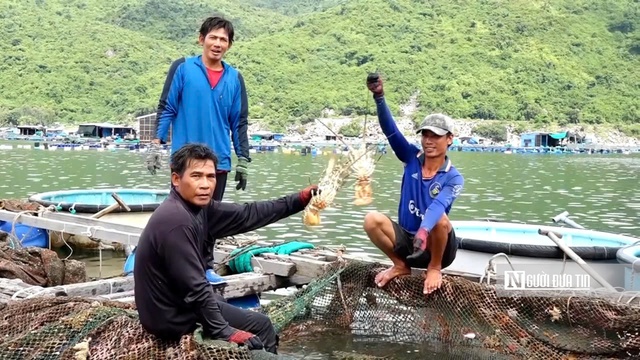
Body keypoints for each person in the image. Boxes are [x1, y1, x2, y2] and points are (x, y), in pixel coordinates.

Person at [134, 143, 319, 354]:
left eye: (210, 176)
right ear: (176, 179)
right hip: (168, 316)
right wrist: (225, 331)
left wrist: (299, 200)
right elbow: (195, 288)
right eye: (196, 176)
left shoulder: (200, 208)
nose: (205, 185)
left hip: (177, 301)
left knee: (219, 301)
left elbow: (249, 214)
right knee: (262, 326)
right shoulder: (177, 221)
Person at [363, 73, 464, 295]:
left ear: (449, 139)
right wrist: (379, 98)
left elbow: (438, 207)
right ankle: (400, 265)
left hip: (438, 247)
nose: (429, 141)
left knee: (440, 219)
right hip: (409, 240)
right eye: (425, 135)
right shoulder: (411, 157)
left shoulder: (453, 177)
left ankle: (434, 268)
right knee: (372, 220)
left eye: (436, 136)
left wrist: (424, 230)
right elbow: (391, 132)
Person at [153, 16, 251, 201]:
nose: (217, 44)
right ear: (201, 39)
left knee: (212, 221)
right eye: (213, 37)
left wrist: (243, 159)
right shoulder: (182, 67)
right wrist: (155, 145)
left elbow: (239, 122)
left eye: (223, 40)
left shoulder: (235, 78)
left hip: (217, 164)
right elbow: (167, 108)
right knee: (181, 218)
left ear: (229, 45)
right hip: (184, 161)